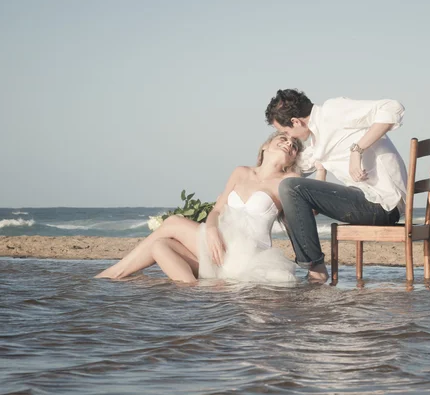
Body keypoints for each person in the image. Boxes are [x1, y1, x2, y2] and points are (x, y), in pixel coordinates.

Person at [95, 132, 303, 284]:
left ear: (293, 158)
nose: (289, 144)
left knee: (173, 223)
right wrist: (211, 229)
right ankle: (195, 292)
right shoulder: (241, 172)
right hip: (219, 247)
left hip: (249, 254)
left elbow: (309, 210)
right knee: (160, 246)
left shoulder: (288, 180)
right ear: (265, 146)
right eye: (283, 139)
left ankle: (112, 274)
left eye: (294, 145)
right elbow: (216, 211)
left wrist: (321, 171)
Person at [265, 89, 408, 282]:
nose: (290, 138)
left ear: (295, 121)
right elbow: (287, 169)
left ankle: (316, 269)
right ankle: (311, 267)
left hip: (382, 203)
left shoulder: (332, 111)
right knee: (287, 191)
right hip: (367, 201)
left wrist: (357, 150)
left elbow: (392, 107)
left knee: (290, 187)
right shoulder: (316, 145)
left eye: (286, 132)